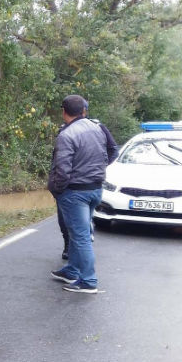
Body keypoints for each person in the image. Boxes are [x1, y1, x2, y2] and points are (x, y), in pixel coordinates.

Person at [49, 95, 108, 294]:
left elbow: (62, 169)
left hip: (75, 193)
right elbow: (108, 154)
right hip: (95, 189)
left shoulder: (67, 135)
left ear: (64, 111)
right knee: (78, 234)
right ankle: (72, 270)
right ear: (83, 110)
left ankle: (89, 281)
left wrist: (57, 190)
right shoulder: (97, 128)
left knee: (81, 236)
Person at [56, 98, 118, 260]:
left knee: (81, 232)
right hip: (77, 184)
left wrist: (98, 167)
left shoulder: (97, 128)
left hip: (77, 186)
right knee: (66, 221)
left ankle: (86, 279)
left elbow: (113, 150)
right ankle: (70, 253)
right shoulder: (65, 130)